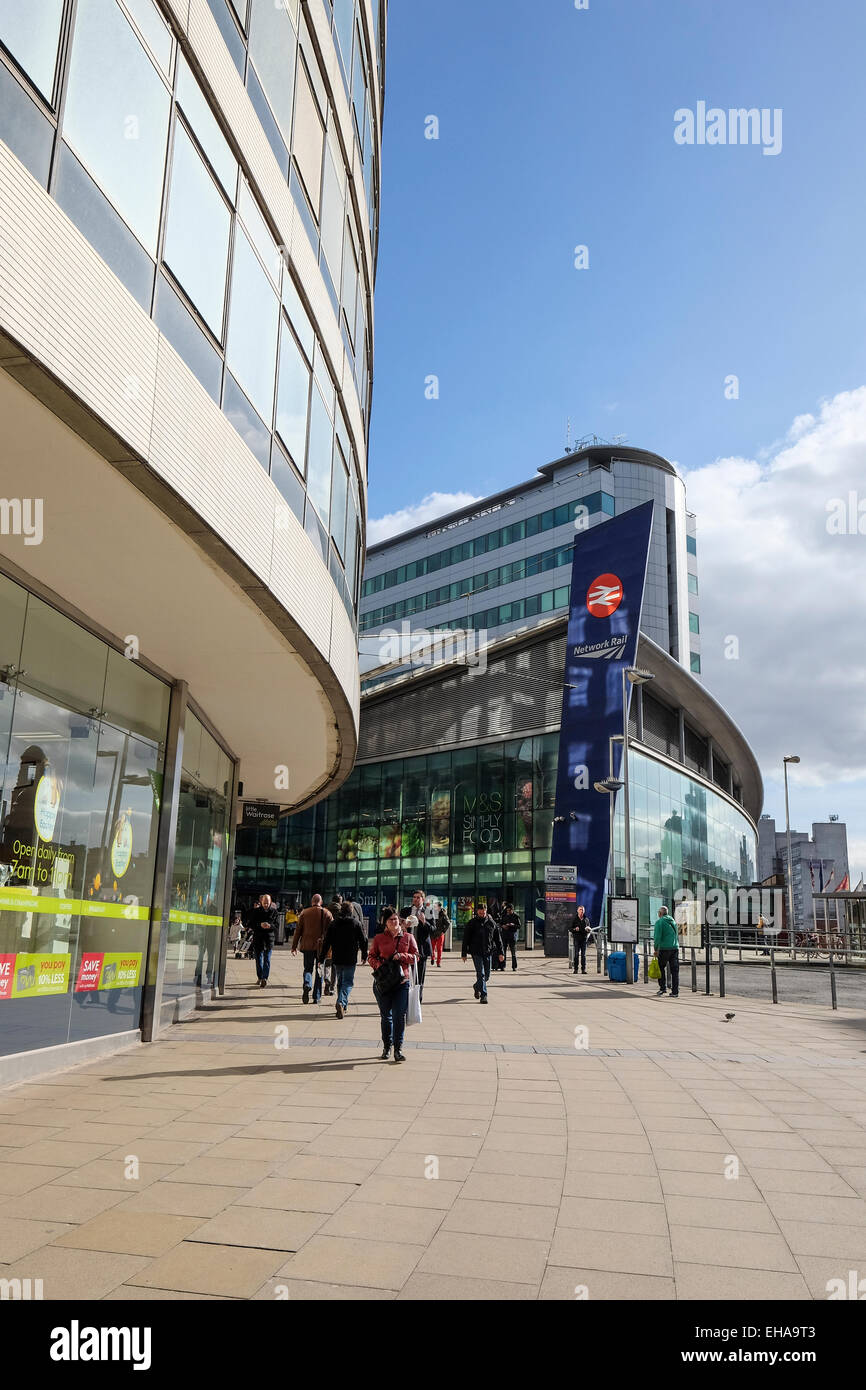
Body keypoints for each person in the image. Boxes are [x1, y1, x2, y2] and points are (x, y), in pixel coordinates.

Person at [368, 912, 419, 1062]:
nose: (394, 921)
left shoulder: (408, 937)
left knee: (398, 1016)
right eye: (391, 919)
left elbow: (416, 956)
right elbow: (371, 956)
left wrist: (402, 956)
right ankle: (386, 1047)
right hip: (383, 983)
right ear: (385, 923)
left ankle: (398, 1049)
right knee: (386, 1017)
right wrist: (379, 966)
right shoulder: (379, 938)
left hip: (402, 983)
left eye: (396, 919)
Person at [320, 902, 368, 1018]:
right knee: (348, 982)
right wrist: (364, 955)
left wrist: (322, 957)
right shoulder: (356, 923)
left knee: (340, 981)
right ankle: (341, 1002)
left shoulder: (334, 923)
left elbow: (327, 942)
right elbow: (363, 940)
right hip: (350, 958)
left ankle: (342, 1004)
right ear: (351, 911)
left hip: (337, 957)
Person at [291, 894, 333, 1003]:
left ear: (312, 902)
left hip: (307, 946)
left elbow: (298, 931)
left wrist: (294, 946)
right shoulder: (327, 913)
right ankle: (316, 997)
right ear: (321, 901)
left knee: (308, 968)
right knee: (319, 970)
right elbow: (332, 931)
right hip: (321, 948)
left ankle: (307, 983)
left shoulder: (304, 913)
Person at [461, 903, 504, 1003]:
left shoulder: (491, 923)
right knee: (481, 973)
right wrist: (464, 953)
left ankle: (476, 986)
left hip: (488, 952)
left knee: (487, 976)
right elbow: (466, 939)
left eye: (483, 911)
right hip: (476, 952)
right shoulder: (472, 923)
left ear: (486, 911)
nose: (481, 913)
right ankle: (484, 995)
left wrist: (501, 953)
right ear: (477, 912)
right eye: (480, 911)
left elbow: (498, 939)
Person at [405, 890, 433, 1002]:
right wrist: (403, 925)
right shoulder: (406, 910)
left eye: (418, 897)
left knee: (419, 979)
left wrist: (424, 921)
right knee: (406, 977)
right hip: (407, 949)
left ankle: (417, 1003)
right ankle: (406, 1001)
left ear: (423, 899)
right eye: (414, 897)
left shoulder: (428, 912)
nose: (415, 899)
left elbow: (433, 930)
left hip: (421, 949)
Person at [247, 893, 278, 988]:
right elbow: (251, 924)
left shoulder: (274, 912)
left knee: (267, 959)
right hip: (258, 938)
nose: (266, 905)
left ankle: (265, 978)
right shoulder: (256, 912)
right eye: (264, 903)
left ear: (270, 902)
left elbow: (277, 926)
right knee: (258, 959)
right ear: (261, 902)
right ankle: (260, 976)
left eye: (267, 903)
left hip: (269, 939)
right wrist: (260, 925)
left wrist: (270, 926)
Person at [653, 904, 680, 997]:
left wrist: (656, 949)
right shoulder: (673, 921)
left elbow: (657, 937)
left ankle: (662, 988)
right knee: (674, 970)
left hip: (664, 949)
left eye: (658, 912)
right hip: (675, 948)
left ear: (660, 913)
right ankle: (675, 991)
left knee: (660, 968)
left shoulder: (659, 922)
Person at [499, 901, 520, 971]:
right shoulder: (504, 915)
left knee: (513, 952)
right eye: (507, 910)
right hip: (504, 935)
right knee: (503, 951)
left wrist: (513, 925)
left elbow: (519, 926)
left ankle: (514, 966)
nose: (508, 912)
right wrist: (503, 926)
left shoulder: (516, 916)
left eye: (509, 910)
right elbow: (500, 924)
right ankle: (502, 966)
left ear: (512, 910)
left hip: (512, 936)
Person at [570, 905, 591, 975]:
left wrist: (588, 930)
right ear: (577, 911)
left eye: (582, 910)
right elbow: (570, 928)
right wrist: (575, 929)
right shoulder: (574, 919)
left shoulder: (586, 919)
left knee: (583, 955)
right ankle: (575, 969)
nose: (581, 911)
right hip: (576, 939)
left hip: (584, 939)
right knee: (576, 954)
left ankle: (583, 969)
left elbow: (589, 928)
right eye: (580, 910)